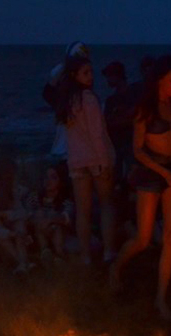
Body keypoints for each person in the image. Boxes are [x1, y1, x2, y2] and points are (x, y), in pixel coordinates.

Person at [110, 55, 171, 321]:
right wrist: (163, 174)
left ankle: (161, 299)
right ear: (160, 80)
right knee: (144, 238)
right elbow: (137, 150)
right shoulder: (144, 109)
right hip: (151, 172)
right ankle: (115, 268)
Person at [56, 55, 116, 265]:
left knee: (82, 210)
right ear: (75, 75)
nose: (91, 77)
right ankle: (109, 252)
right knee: (107, 204)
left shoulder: (66, 102)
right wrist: (105, 161)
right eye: (86, 73)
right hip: (96, 159)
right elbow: (97, 133)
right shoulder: (88, 98)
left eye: (91, 72)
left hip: (77, 162)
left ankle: (85, 256)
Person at [43, 41, 90, 158]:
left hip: (70, 153)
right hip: (69, 153)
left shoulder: (83, 99)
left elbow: (48, 92)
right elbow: (48, 92)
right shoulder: (68, 101)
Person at [25, 164, 73, 267]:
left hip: (59, 232)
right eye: (46, 177)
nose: (48, 180)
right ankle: (45, 251)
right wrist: (41, 221)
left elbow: (66, 218)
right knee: (39, 214)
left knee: (54, 221)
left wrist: (51, 220)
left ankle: (59, 255)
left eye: (53, 177)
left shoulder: (65, 200)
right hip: (38, 231)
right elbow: (27, 216)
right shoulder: (34, 197)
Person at [102, 61, 133, 182]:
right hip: (119, 145)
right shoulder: (112, 99)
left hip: (127, 144)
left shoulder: (119, 98)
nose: (108, 80)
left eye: (109, 76)